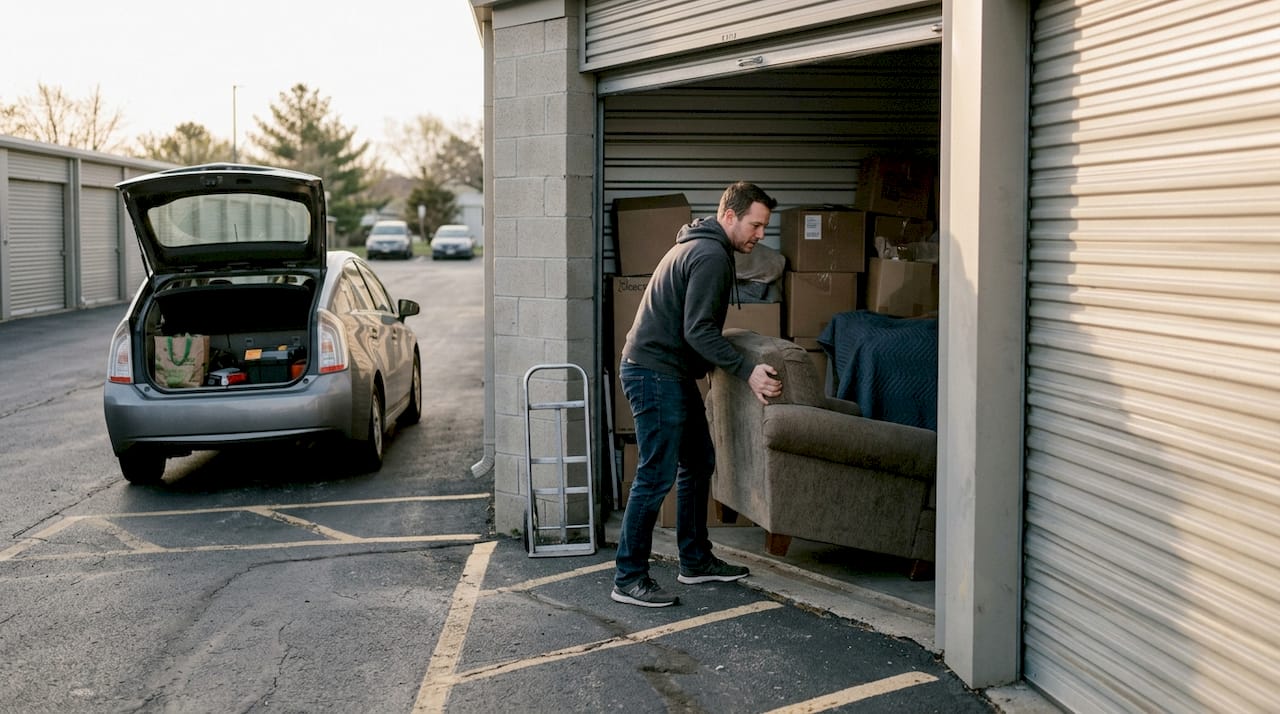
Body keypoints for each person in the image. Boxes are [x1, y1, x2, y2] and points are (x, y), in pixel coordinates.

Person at [612, 181, 784, 608]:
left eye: (764, 227)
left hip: (665, 371)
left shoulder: (701, 247)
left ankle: (694, 560)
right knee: (655, 476)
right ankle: (629, 576)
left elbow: (693, 329)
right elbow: (699, 330)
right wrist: (748, 371)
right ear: (730, 216)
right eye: (756, 225)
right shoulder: (709, 256)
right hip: (654, 374)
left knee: (699, 460)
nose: (760, 235)